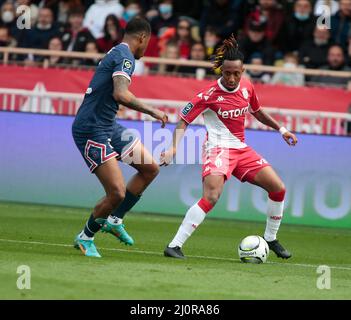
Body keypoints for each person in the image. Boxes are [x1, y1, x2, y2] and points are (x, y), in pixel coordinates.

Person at [160, 34, 297, 260]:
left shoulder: (247, 87)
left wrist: (281, 130)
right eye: (227, 73)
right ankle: (174, 245)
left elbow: (258, 112)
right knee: (211, 196)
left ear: (242, 71)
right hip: (217, 149)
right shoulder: (208, 95)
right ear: (221, 72)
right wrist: (174, 148)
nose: (232, 78)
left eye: (236, 73)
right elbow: (183, 120)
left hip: (241, 149)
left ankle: (271, 239)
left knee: (278, 188)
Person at [72, 17, 168, 258]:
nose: (147, 49)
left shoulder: (117, 51)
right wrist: (152, 110)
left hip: (108, 125)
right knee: (116, 193)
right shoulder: (125, 57)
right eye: (149, 43)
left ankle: (114, 219)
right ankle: (85, 237)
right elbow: (120, 93)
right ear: (143, 38)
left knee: (150, 168)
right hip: (91, 128)